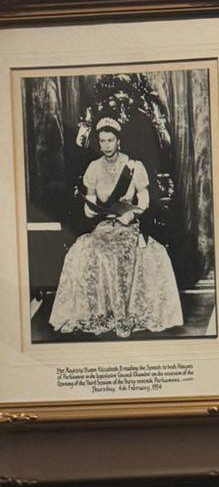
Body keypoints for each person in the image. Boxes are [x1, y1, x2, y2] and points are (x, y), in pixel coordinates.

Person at [48, 116, 183, 337]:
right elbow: (89, 205)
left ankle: (126, 315)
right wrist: (92, 209)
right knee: (84, 251)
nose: (106, 145)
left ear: (118, 141)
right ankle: (102, 313)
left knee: (125, 254)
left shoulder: (134, 167)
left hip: (128, 225)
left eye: (110, 140)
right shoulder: (93, 168)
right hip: (104, 225)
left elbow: (144, 200)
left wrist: (132, 212)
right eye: (102, 141)